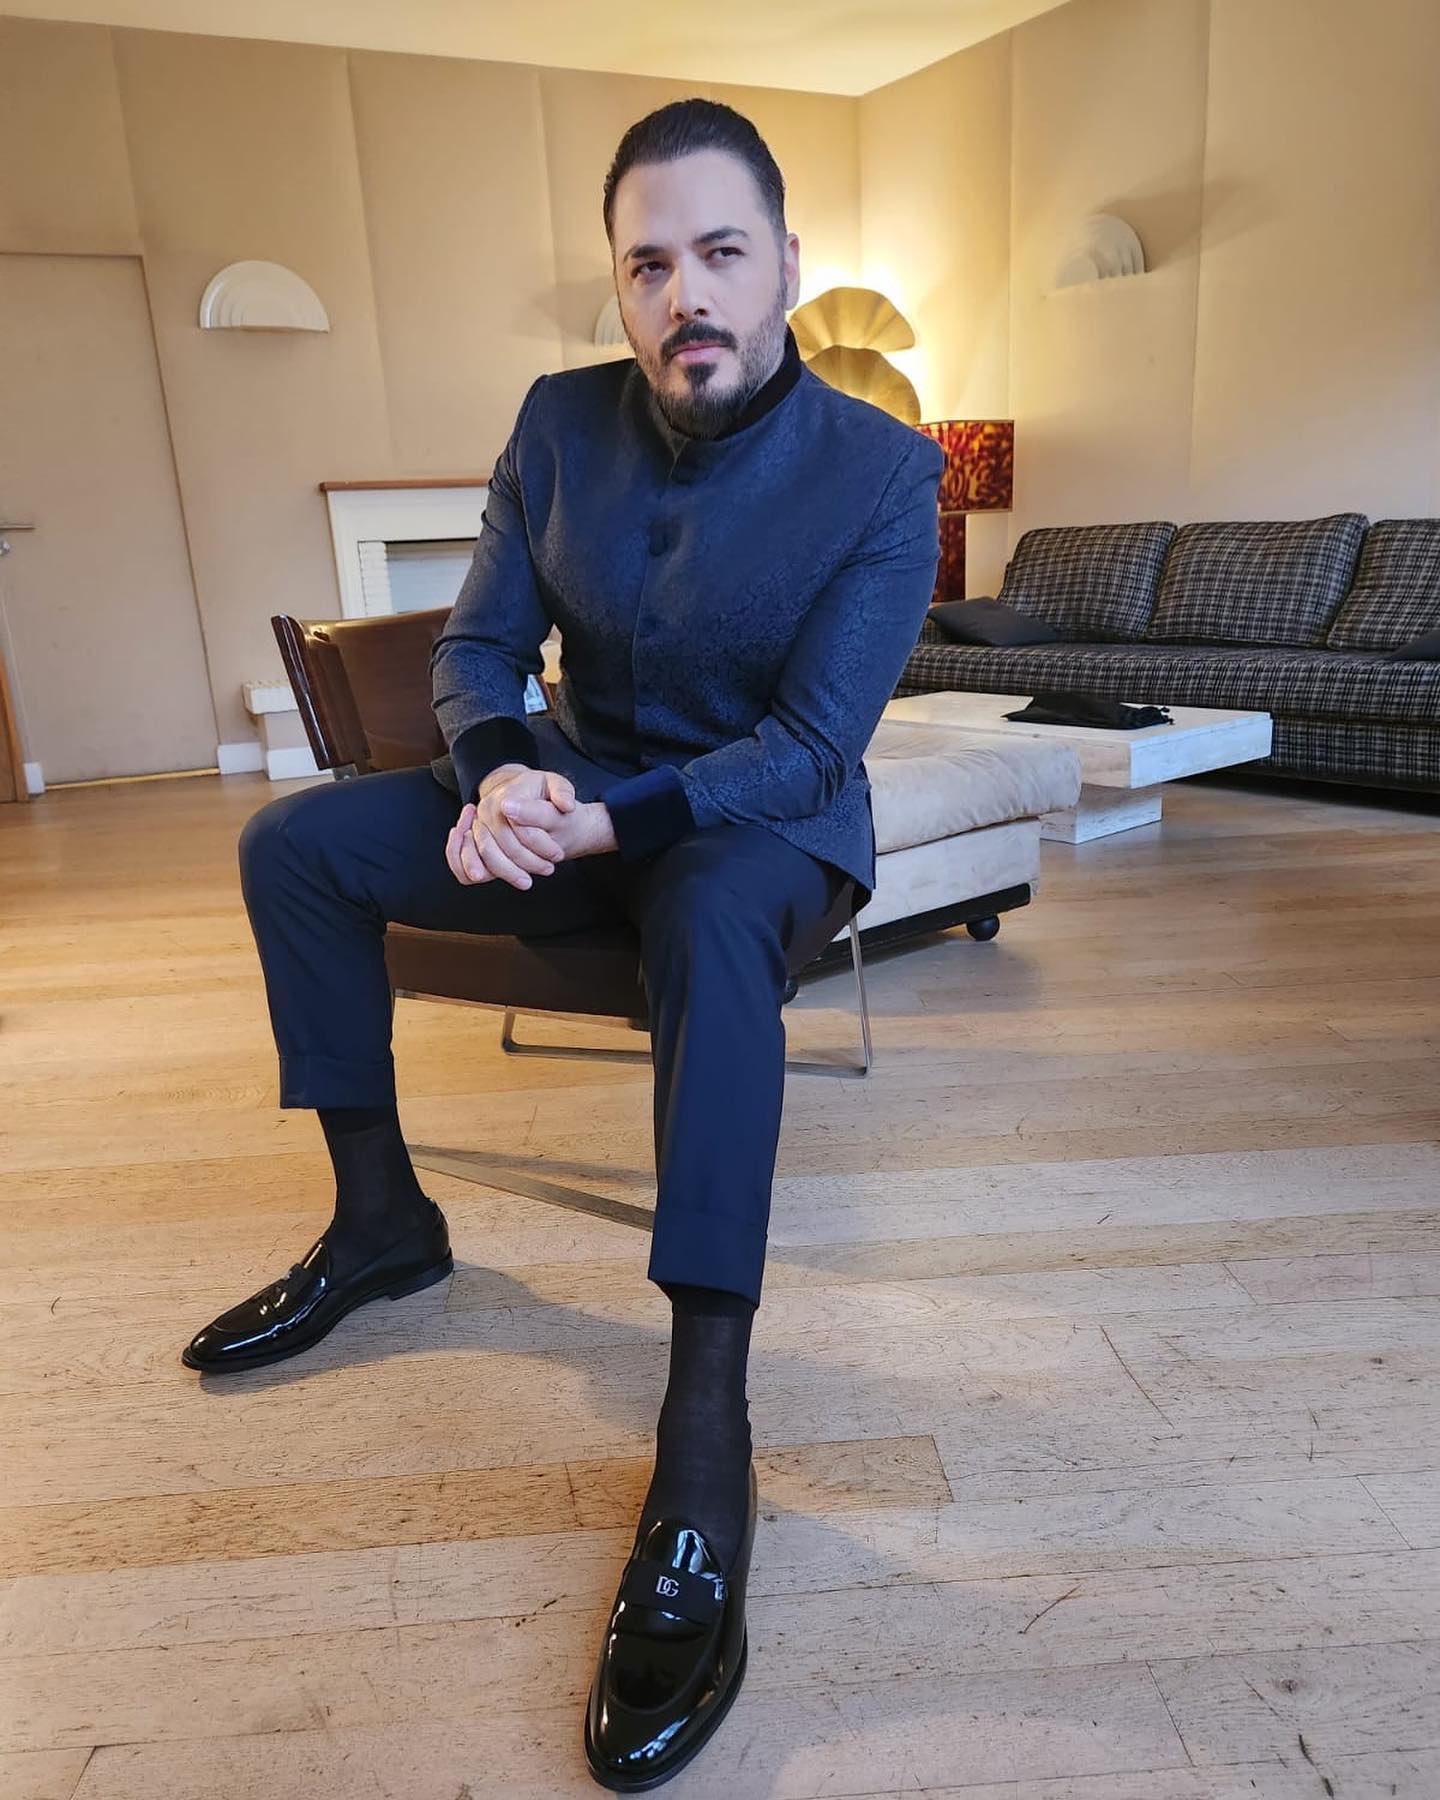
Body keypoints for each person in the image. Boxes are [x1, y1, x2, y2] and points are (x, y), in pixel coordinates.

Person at [181, 97, 942, 1790]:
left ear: (785, 265)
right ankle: (382, 1222)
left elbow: (814, 744)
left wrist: (601, 822)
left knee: (716, 910)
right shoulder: (556, 421)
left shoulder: (887, 474)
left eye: (722, 254)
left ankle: (705, 1429)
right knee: (293, 845)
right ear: (618, 284)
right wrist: (506, 777)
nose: (688, 295)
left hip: (756, 831)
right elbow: (476, 649)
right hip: (575, 795)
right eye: (649, 264)